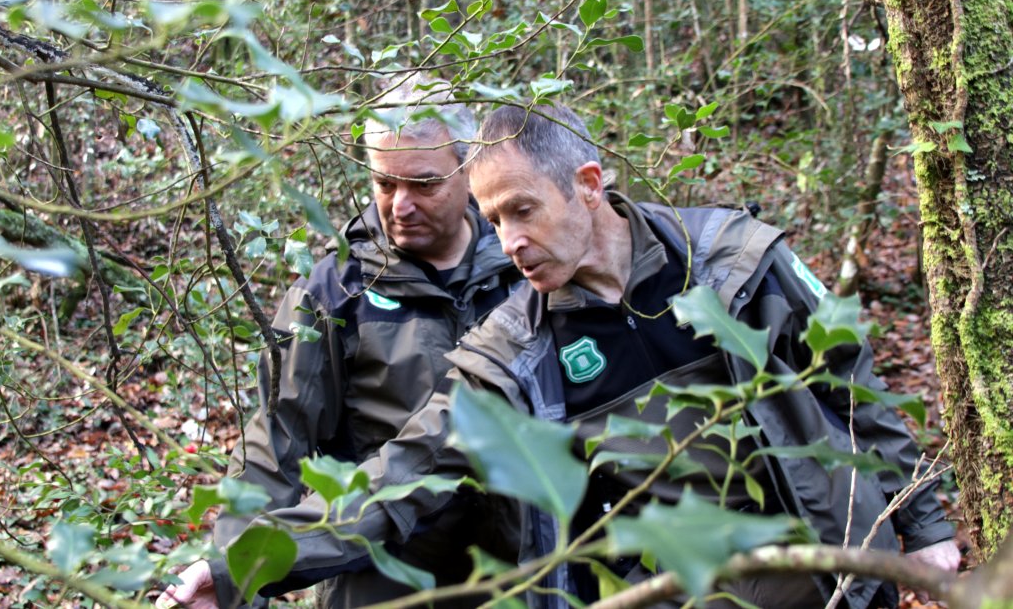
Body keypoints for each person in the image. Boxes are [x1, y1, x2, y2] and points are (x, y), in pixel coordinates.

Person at [441, 102, 961, 608]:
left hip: (833, 573)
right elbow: (429, 453)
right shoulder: (521, 346)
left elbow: (848, 381)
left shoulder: (730, 259)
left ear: (589, 185)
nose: (508, 242)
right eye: (494, 220)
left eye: (522, 210)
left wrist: (923, 525)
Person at [156, 78, 522, 609]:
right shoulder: (335, 292)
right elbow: (277, 442)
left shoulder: (523, 266)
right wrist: (235, 578)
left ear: (469, 169)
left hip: (517, 569)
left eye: (424, 184)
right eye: (384, 183)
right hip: (378, 573)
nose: (401, 206)